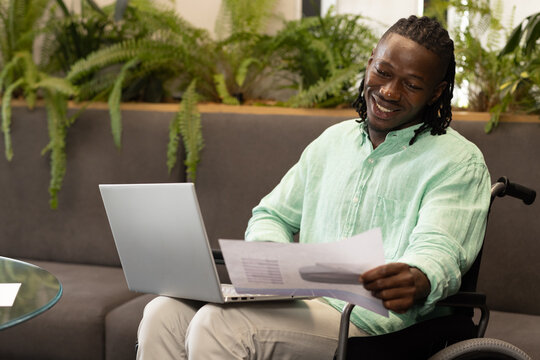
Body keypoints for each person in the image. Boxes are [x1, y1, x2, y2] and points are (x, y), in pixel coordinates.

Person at [136, 15, 491, 359]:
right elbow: (271, 214)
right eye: (382, 72)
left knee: (218, 325)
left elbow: (440, 250)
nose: (388, 91)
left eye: (411, 84)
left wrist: (419, 276)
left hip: (378, 322)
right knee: (162, 313)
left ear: (436, 93)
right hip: (302, 302)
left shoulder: (458, 162)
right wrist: (275, 265)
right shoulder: (332, 142)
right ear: (370, 64)